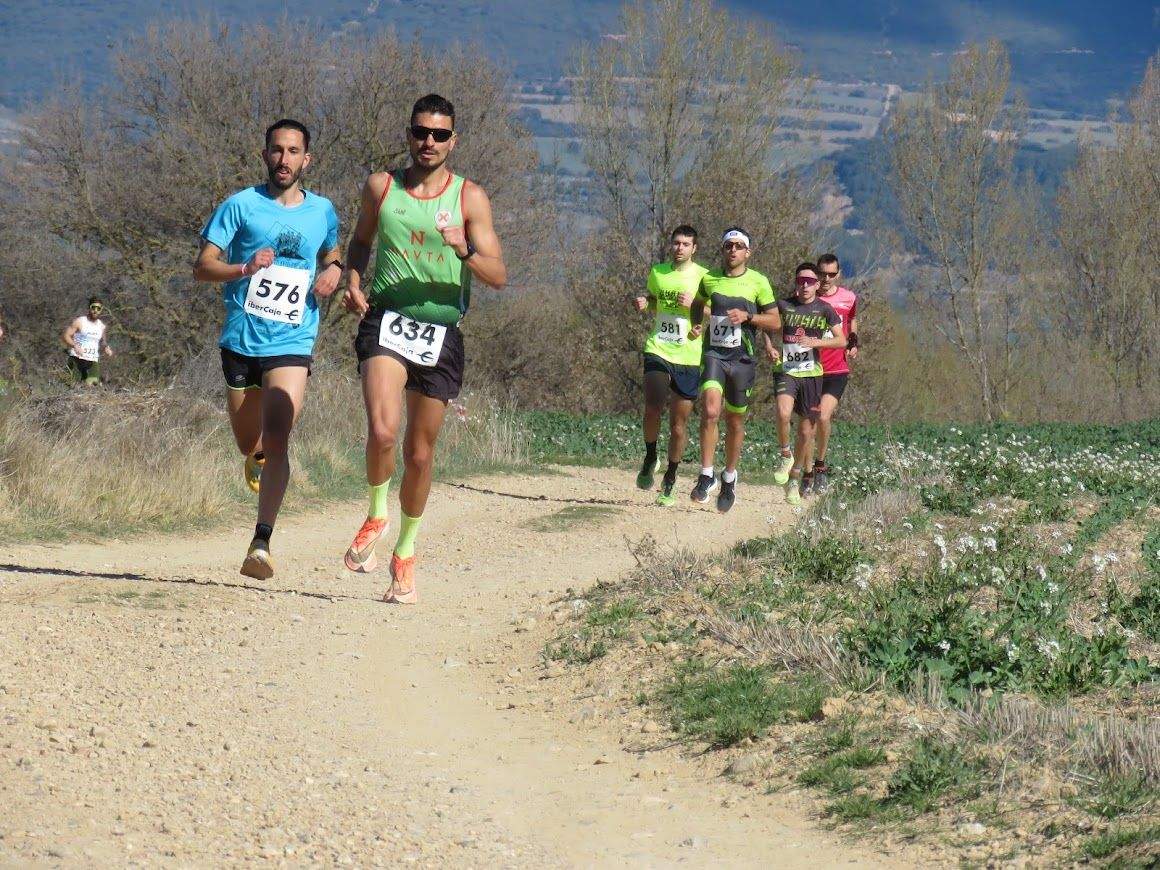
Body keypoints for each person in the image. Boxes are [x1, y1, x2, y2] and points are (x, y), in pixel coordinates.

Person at [341, 94, 507, 604]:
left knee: (419, 454)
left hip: (441, 332)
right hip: (387, 320)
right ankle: (376, 513)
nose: (428, 142)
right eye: (420, 132)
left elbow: (498, 275)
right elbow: (361, 241)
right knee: (383, 431)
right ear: (408, 134)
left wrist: (464, 249)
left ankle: (405, 553)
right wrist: (352, 279)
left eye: (439, 135)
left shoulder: (469, 198)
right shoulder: (382, 186)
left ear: (453, 140)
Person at [193, 119, 341, 580]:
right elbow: (202, 267)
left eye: (294, 151)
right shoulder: (239, 206)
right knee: (249, 441)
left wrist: (335, 272)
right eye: (277, 150)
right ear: (265, 154)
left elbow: (333, 253)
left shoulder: (323, 211)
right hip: (241, 340)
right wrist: (242, 267)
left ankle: (261, 540)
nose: (284, 159)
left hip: (293, 341)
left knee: (278, 436)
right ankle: (255, 456)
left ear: (307, 159)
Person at [687, 227, 777, 513]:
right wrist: (696, 324)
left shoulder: (758, 282)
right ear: (723, 250)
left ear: (747, 252)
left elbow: (775, 322)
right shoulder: (710, 278)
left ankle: (729, 477)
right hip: (714, 353)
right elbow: (698, 303)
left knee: (735, 421)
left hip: (743, 359)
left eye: (739, 246)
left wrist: (749, 316)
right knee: (711, 411)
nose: (733, 251)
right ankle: (706, 474)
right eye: (728, 246)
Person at [633, 225, 708, 505]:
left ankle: (671, 477)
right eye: (676, 243)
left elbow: (714, 311)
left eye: (685, 244)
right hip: (659, 347)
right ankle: (650, 456)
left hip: (688, 355)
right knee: (653, 405)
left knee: (679, 423)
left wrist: (695, 309)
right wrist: (645, 303)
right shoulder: (658, 272)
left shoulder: (703, 277)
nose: (679, 248)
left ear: (694, 248)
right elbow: (655, 301)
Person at [772, 263, 845, 505]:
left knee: (806, 432)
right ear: (795, 282)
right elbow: (765, 324)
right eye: (801, 281)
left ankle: (795, 478)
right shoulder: (783, 305)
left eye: (810, 282)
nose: (805, 285)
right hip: (786, 371)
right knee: (782, 413)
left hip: (812, 375)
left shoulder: (824, 310)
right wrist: (769, 346)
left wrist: (816, 343)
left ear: (816, 285)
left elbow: (841, 340)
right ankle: (785, 454)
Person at [810, 253, 859, 494]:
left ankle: (820, 466)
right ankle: (803, 469)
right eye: (822, 273)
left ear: (838, 274)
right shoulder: (808, 298)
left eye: (831, 274)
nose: (826, 278)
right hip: (809, 368)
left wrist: (853, 341)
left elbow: (852, 319)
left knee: (822, 417)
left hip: (837, 369)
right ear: (816, 273)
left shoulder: (848, 297)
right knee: (807, 423)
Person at [63, 298, 113, 385]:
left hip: (92, 360)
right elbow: (66, 336)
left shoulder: (101, 326)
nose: (95, 311)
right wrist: (74, 345)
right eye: (93, 307)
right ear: (89, 308)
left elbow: (102, 341)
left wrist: (106, 348)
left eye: (98, 309)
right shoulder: (80, 321)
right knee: (73, 386)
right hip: (77, 358)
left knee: (93, 386)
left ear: (101, 310)